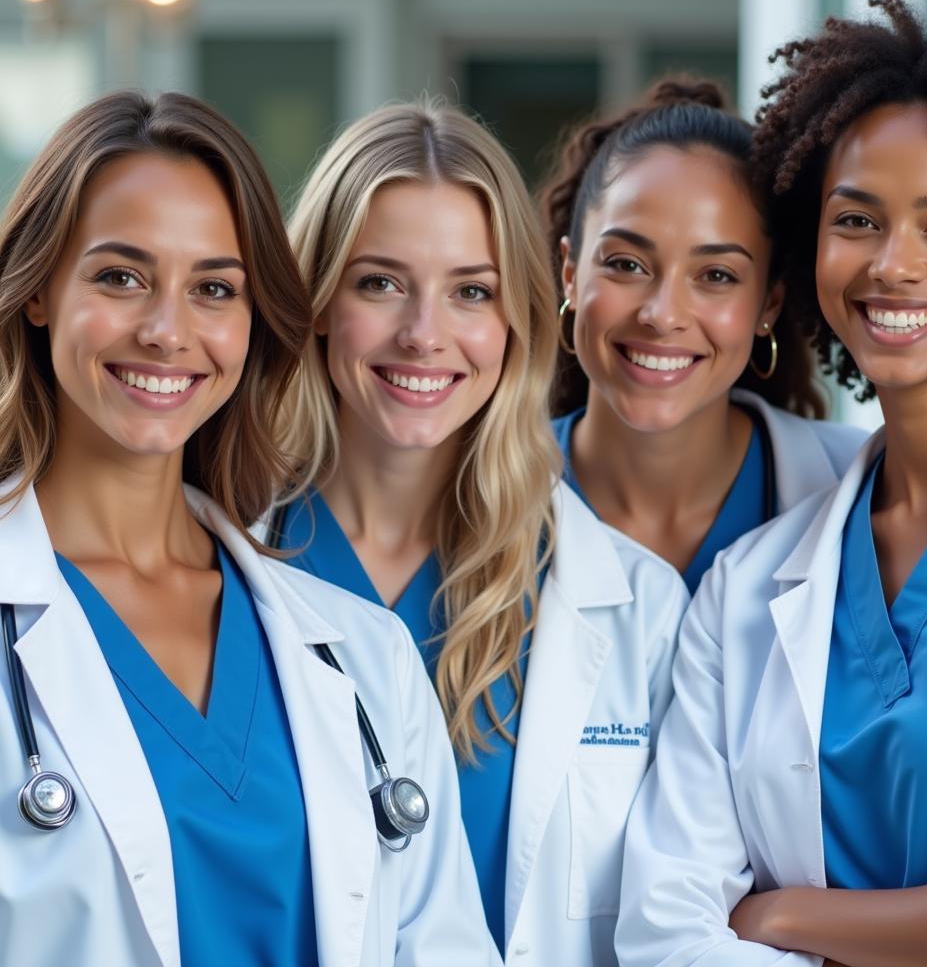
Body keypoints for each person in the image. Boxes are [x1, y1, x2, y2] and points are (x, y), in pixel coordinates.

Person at [0, 91, 496, 967]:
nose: (166, 330)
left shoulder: (361, 653)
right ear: (39, 291)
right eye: (121, 277)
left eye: (214, 289)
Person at [616, 0, 927, 967]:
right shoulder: (748, 586)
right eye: (856, 220)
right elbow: (666, 930)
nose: (894, 263)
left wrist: (779, 915)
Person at [273, 98, 685, 966]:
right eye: (379, 282)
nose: (425, 335)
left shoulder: (636, 609)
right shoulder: (230, 563)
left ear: (515, 322)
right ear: (315, 300)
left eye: (471, 291)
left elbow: (689, 910)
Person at [540, 78, 865, 597]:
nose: (663, 315)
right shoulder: (474, 494)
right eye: (626, 264)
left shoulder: (863, 489)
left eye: (716, 275)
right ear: (570, 274)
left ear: (769, 304)